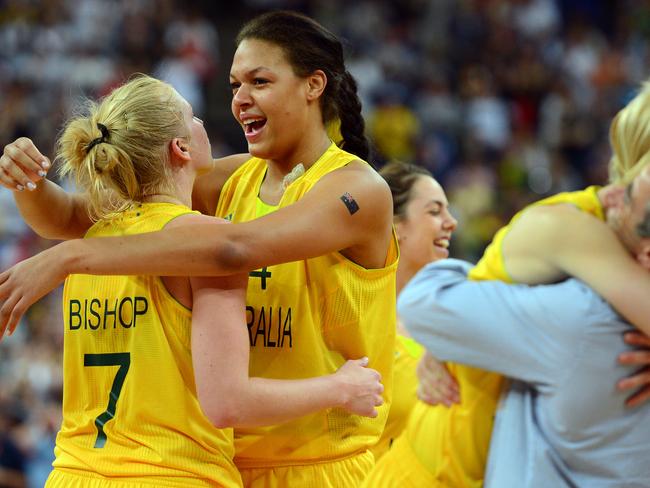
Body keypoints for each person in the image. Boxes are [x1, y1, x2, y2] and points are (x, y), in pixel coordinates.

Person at [0, 11, 397, 487]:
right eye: (233, 85)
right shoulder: (229, 179)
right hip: (222, 460)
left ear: (313, 85)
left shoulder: (358, 189)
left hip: (316, 464)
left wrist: (68, 258)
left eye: (260, 81)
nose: (240, 100)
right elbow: (73, 217)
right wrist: (28, 183)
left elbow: (235, 248)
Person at [359, 80, 650, 487]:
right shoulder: (575, 229)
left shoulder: (608, 239)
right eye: (433, 211)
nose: (451, 222)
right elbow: (427, 304)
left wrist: (449, 327)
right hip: (436, 465)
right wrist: (446, 326)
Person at [398, 165, 650, 486]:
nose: (610, 198)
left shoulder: (577, 316)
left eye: (628, 198)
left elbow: (425, 303)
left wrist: (492, 276)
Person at [368, 160, 457, 462]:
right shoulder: (356, 319)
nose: (451, 222)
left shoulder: (452, 320)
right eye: (435, 211)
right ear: (394, 225)